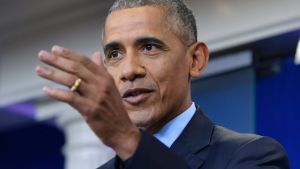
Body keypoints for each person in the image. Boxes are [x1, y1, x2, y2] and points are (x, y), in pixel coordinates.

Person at [36, 0, 290, 168]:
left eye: (149, 47)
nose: (129, 70)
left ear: (195, 60)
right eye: (115, 54)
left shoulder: (253, 156)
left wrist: (125, 138)